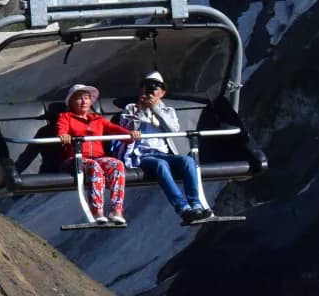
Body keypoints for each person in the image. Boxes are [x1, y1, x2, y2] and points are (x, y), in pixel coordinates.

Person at [117, 71, 212, 223]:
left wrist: (156, 109)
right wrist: (141, 110)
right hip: (142, 155)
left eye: (155, 87)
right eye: (147, 86)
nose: (151, 90)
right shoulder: (131, 108)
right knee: (160, 165)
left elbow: (173, 129)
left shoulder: (168, 111)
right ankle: (182, 207)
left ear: (162, 92)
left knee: (187, 161)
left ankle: (195, 203)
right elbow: (124, 128)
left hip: (164, 152)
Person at [55, 83, 140, 227]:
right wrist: (63, 135)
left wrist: (130, 134)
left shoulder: (97, 119)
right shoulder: (66, 117)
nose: (84, 101)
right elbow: (61, 130)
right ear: (71, 102)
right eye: (79, 98)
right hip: (76, 158)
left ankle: (116, 210)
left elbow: (114, 129)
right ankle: (97, 212)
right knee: (94, 166)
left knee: (117, 165)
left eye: (86, 98)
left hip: (98, 157)